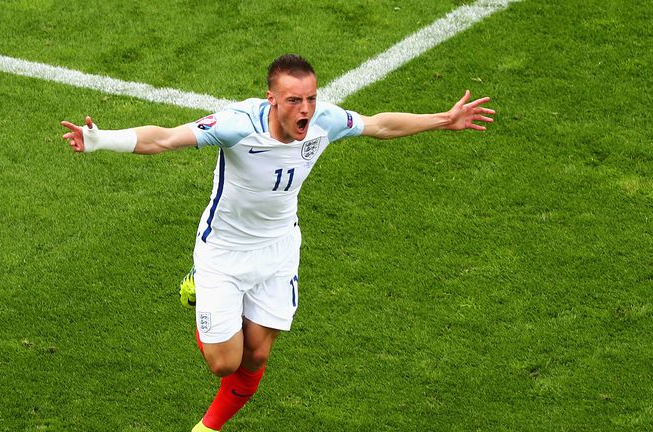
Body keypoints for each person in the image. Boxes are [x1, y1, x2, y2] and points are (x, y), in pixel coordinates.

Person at [61, 54, 495, 432]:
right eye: (294, 100)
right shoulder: (237, 126)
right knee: (224, 362)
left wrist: (443, 119)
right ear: (272, 99)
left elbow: (379, 125)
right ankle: (199, 286)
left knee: (257, 354)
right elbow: (165, 138)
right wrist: (103, 140)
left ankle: (206, 428)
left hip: (279, 250)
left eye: (310, 98)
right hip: (224, 253)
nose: (306, 109)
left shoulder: (325, 121)